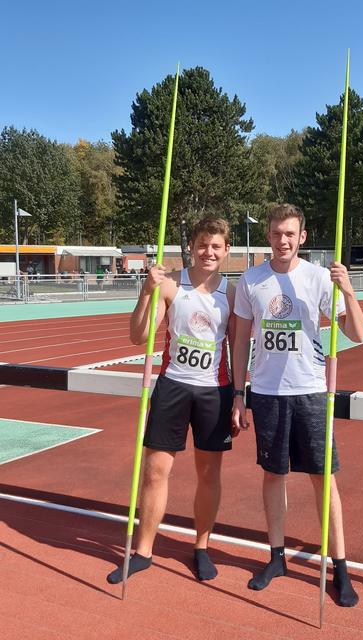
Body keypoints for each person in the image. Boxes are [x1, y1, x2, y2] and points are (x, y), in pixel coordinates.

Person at [232, 203, 363, 606]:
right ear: (268, 235)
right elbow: (240, 342)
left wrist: (349, 291)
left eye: (290, 233)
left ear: (302, 237)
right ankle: (276, 557)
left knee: (324, 480)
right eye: (276, 233)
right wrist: (239, 394)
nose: (282, 240)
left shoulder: (321, 278)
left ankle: (339, 568)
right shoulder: (251, 281)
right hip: (268, 393)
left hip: (309, 391)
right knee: (273, 476)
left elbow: (356, 333)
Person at [107, 216, 236, 585]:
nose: (208, 252)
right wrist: (145, 292)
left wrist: (240, 396)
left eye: (216, 246)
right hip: (173, 385)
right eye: (202, 245)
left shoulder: (231, 293)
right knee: (155, 471)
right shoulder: (169, 285)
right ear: (191, 247)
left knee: (209, 473)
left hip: (215, 389)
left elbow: (240, 345)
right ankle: (143, 551)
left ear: (226, 251)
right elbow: (139, 336)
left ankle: (202, 548)